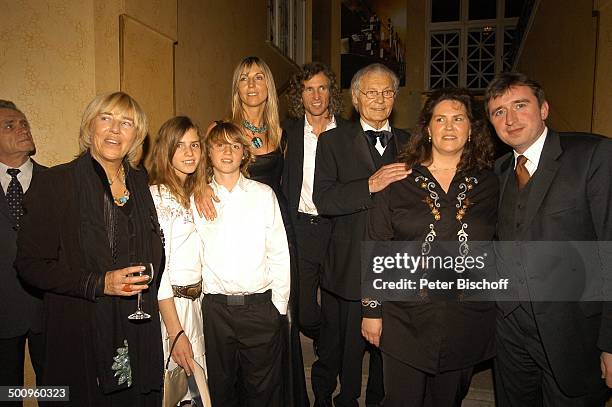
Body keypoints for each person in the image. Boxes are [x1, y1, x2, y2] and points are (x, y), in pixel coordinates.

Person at [15, 92, 164, 406]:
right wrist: (100, 282)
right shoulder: (57, 183)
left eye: (126, 123)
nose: (114, 130)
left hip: (137, 325)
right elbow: (30, 264)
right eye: (106, 118)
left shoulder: (139, 181)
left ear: (136, 136)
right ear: (90, 126)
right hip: (81, 330)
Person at [363, 88, 498, 406]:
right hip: (405, 318)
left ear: (470, 130)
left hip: (465, 320)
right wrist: (371, 310)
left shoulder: (491, 182)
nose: (449, 127)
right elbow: (376, 245)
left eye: (458, 119)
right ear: (427, 128)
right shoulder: (397, 178)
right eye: (440, 119)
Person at [486, 72, 612, 406]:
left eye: (520, 105)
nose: (510, 119)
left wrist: (611, 342)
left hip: (572, 333)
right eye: (499, 112)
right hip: (510, 332)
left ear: (543, 109)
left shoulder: (592, 155)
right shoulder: (497, 172)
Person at [312, 63, 410, 407]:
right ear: (356, 98)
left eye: (387, 92)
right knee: (345, 351)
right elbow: (322, 199)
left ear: (395, 98)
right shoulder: (332, 141)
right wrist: (369, 185)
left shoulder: (412, 143)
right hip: (349, 263)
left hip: (397, 266)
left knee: (389, 349)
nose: (379, 99)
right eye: (371, 92)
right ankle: (340, 399)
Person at [193, 120, 290, 407]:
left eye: (235, 146)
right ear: (209, 152)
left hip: (260, 310)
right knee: (221, 391)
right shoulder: (197, 198)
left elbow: (279, 253)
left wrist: (278, 308)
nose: (228, 152)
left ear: (245, 154)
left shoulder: (263, 195)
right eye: (220, 145)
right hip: (215, 311)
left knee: (262, 392)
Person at [282, 62, 347, 344]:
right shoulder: (289, 133)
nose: (317, 96)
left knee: (338, 305)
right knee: (305, 311)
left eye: (322, 87)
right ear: (301, 95)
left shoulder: (349, 132)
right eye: (309, 89)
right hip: (303, 228)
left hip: (339, 229)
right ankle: (327, 340)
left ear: (331, 91)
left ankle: (330, 359)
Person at [148, 116, 208, 404]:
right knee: (175, 393)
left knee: (196, 394)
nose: (189, 152)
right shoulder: (159, 198)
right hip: (172, 311)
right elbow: (159, 272)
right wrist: (175, 332)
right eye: (180, 145)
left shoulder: (192, 194)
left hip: (196, 306)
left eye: (195, 144)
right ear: (165, 150)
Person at [0, 100, 45, 400]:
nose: (22, 128)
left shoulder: (56, 182)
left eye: (23, 122)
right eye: (9, 125)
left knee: (57, 391)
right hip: (2, 313)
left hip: (50, 310)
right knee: (7, 394)